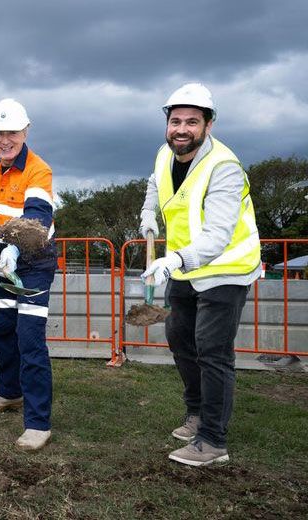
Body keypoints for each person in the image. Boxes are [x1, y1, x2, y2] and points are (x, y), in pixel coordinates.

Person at [139, 83, 261, 466]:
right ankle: (196, 414)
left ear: (208, 125)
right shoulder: (165, 153)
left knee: (213, 351)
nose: (182, 129)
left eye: (192, 121)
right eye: (176, 120)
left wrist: (174, 261)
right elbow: (154, 184)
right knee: (180, 338)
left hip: (226, 269)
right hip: (185, 267)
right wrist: (147, 213)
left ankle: (212, 440)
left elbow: (219, 235)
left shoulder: (224, 166)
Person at [0, 98, 57, 451]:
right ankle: (9, 392)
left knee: (30, 338)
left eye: (12, 132)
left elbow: (37, 215)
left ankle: (38, 423)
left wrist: (16, 248)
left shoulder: (39, 170)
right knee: (4, 330)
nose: (5, 139)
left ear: (25, 132)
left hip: (34, 262)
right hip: (1, 262)